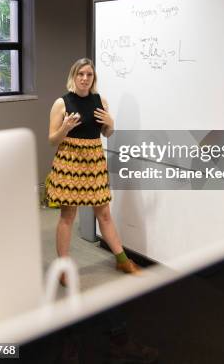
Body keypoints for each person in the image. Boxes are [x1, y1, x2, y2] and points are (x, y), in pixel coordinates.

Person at [46, 57, 140, 284]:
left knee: (104, 214)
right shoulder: (62, 103)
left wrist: (111, 123)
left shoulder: (101, 101)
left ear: (93, 78)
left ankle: (122, 259)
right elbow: (52, 140)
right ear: (73, 76)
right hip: (69, 164)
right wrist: (65, 128)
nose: (85, 78)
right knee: (67, 216)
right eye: (81, 74)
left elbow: (106, 134)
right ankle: (63, 268)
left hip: (94, 162)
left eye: (89, 75)